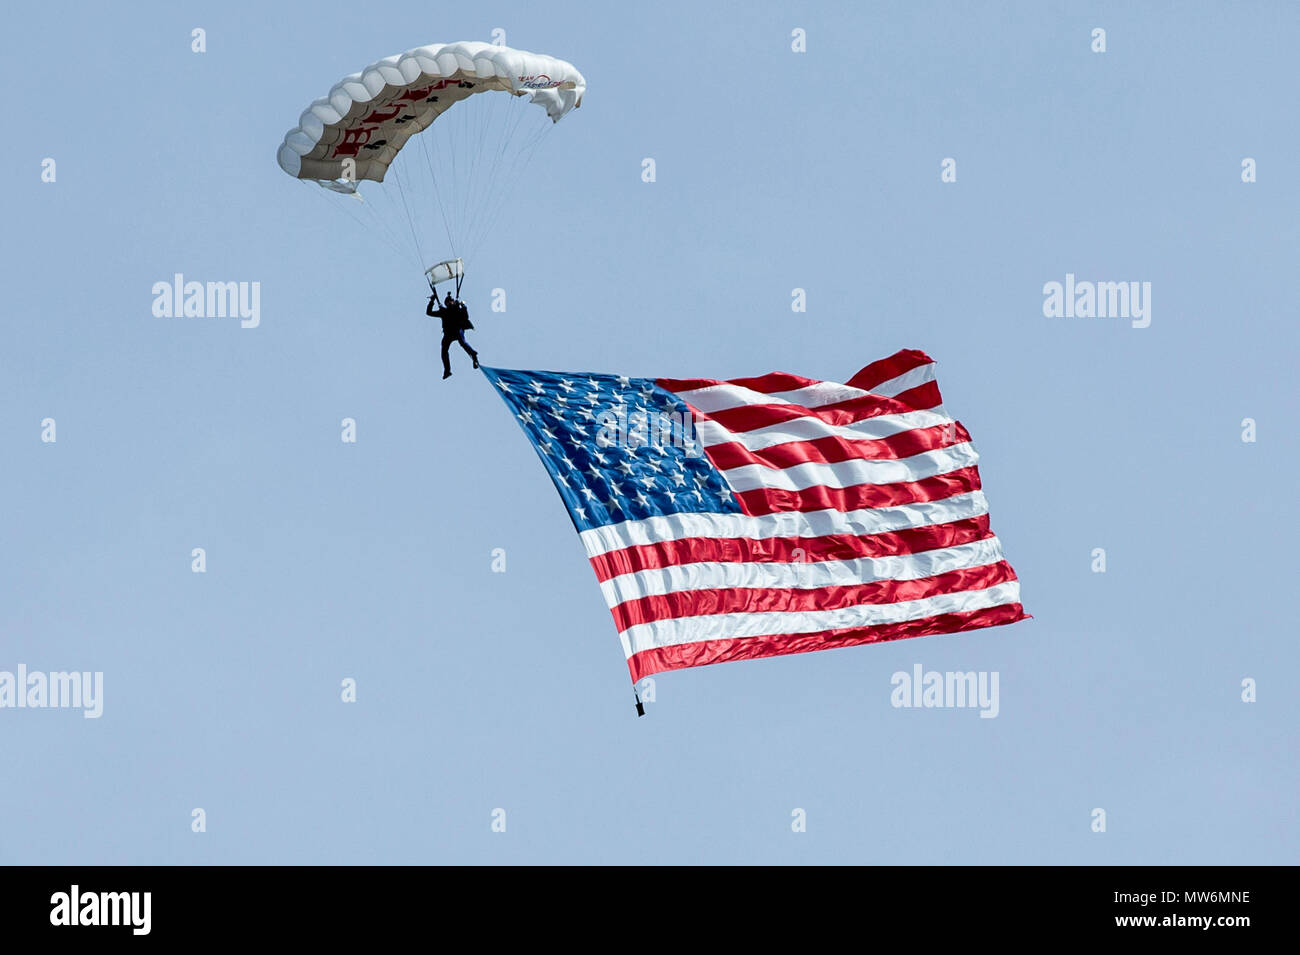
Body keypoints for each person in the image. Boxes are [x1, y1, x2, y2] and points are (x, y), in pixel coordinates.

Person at [427, 290, 478, 379]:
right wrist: (432, 301)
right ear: (446, 303)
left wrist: (463, 306)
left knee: (462, 343)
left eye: (451, 301)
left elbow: (466, 317)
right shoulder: (444, 311)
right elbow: (429, 312)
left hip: (457, 330)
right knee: (444, 350)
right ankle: (447, 370)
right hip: (449, 333)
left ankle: (473, 355)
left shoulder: (456, 309)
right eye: (448, 302)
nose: (450, 303)